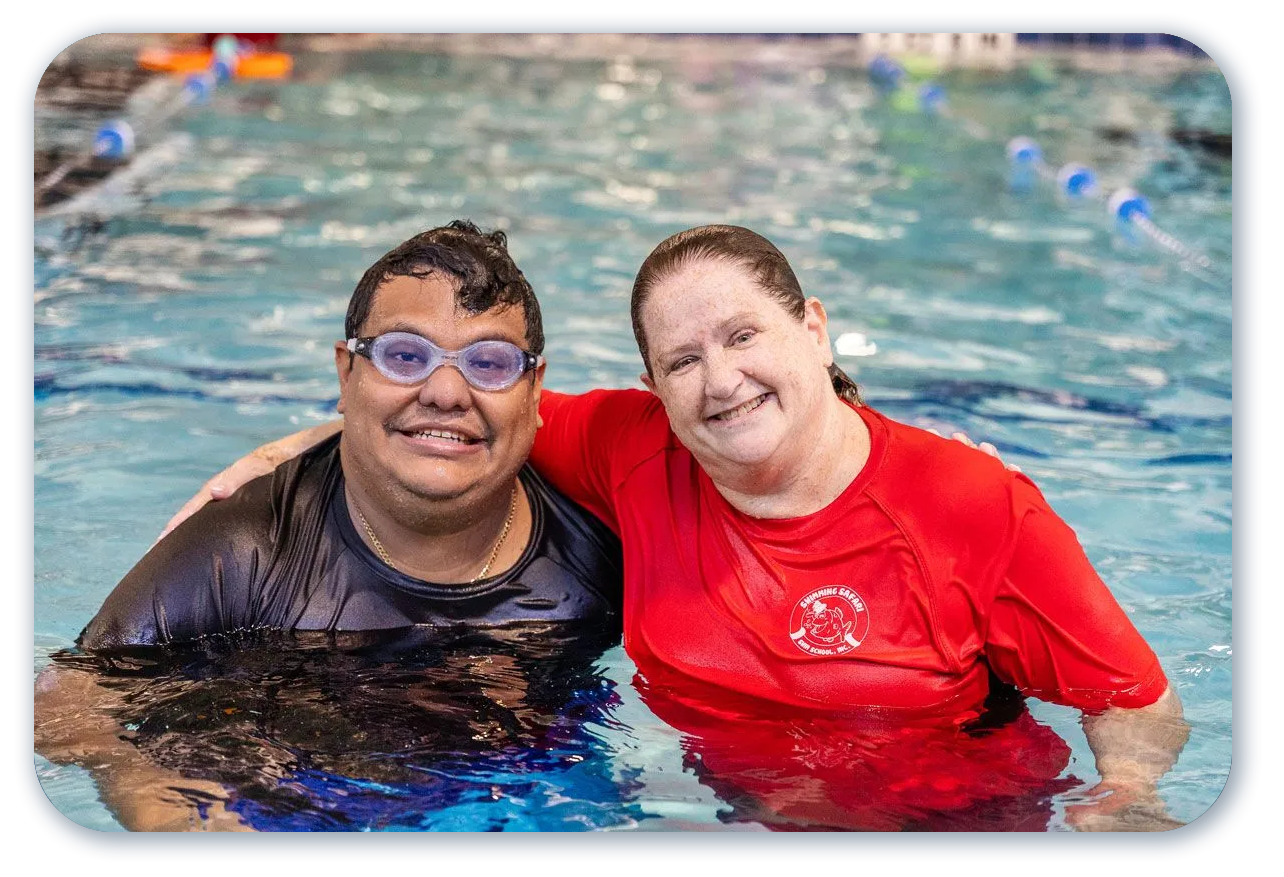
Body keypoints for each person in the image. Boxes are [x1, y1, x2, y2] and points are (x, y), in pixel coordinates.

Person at [160, 224, 1190, 830]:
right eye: (682, 359)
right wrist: (280, 453)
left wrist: (1128, 791)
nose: (721, 380)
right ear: (652, 384)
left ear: (814, 328)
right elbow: (451, 415)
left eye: (743, 335)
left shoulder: (972, 505)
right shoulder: (632, 446)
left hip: (954, 821)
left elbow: (1134, 699)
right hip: (743, 813)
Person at [35, 221, 624, 829]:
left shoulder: (607, 549)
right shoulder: (247, 549)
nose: (447, 392)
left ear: (535, 391)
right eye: (404, 355)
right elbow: (65, 702)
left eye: (490, 363)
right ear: (347, 375)